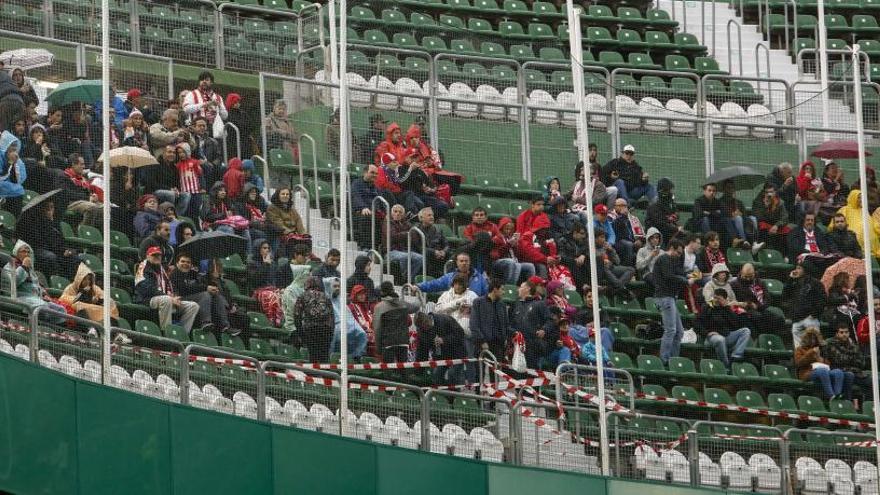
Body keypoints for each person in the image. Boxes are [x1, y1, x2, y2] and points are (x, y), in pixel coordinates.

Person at [134, 246, 199, 332]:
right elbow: (147, 289)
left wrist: (175, 296)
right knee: (167, 300)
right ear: (147, 256)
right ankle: (167, 333)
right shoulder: (143, 268)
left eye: (159, 255)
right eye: (154, 255)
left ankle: (182, 334)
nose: (157, 257)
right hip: (146, 299)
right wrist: (170, 298)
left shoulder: (162, 269)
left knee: (193, 306)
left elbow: (171, 285)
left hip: (163, 298)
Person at [15, 198, 79, 280]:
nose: (50, 211)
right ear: (41, 210)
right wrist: (47, 224)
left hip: (55, 250)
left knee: (76, 259)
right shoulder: (33, 223)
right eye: (47, 208)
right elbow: (36, 242)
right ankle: (56, 282)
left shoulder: (55, 225)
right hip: (38, 250)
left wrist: (65, 250)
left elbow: (60, 242)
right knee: (50, 257)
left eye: (52, 207)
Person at [654, 239, 694, 364]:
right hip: (664, 297)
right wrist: (685, 281)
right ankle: (665, 360)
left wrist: (687, 276)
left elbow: (678, 273)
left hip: (670, 297)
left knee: (679, 332)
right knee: (670, 330)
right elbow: (669, 276)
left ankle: (673, 360)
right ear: (671, 248)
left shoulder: (672, 260)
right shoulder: (664, 259)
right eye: (677, 252)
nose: (679, 255)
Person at [169, 253, 228, 334]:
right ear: (177, 263)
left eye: (188, 262)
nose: (185, 264)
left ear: (191, 265)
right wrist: (206, 288)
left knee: (216, 295)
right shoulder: (174, 274)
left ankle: (225, 326)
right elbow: (184, 289)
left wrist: (213, 282)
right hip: (179, 300)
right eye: (183, 261)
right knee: (205, 294)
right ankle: (206, 322)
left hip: (192, 298)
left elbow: (200, 285)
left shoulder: (192, 274)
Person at [697, 288, 752, 369]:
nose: (715, 300)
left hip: (726, 335)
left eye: (718, 298)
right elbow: (697, 323)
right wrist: (707, 333)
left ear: (724, 299)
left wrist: (727, 308)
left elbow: (736, 325)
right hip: (711, 338)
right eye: (714, 297)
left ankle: (736, 356)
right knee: (720, 339)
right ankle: (726, 366)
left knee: (746, 331)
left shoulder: (726, 309)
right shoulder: (707, 307)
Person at [795, 327, 853, 400]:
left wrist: (820, 359)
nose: (812, 341)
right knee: (822, 370)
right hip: (807, 372)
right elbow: (799, 363)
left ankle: (837, 395)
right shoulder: (800, 349)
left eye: (814, 338)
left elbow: (828, 364)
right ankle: (831, 395)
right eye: (810, 338)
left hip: (823, 371)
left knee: (838, 372)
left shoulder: (821, 349)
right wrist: (811, 352)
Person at [731, 263, 785, 335]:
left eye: (750, 276)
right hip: (746, 310)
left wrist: (757, 306)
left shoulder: (760, 282)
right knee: (758, 317)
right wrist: (749, 305)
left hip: (761, 308)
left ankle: (771, 338)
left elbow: (767, 299)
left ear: (754, 273)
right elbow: (735, 302)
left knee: (779, 319)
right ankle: (764, 337)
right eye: (746, 276)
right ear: (741, 273)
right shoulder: (734, 284)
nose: (748, 279)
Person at [414, 312, 467, 385]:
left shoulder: (445, 319)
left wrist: (444, 340)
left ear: (428, 321)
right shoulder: (421, 331)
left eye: (425, 327)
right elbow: (421, 351)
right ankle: (443, 394)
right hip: (439, 356)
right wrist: (418, 370)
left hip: (456, 353)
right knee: (436, 375)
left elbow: (460, 333)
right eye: (421, 328)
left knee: (453, 374)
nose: (425, 330)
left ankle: (456, 394)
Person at [373, 281, 420, 364]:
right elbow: (416, 306)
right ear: (393, 290)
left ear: (381, 292)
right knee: (402, 371)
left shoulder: (379, 307)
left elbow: (377, 329)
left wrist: (378, 349)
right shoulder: (402, 304)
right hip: (403, 342)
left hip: (388, 343)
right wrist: (416, 294)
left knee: (389, 371)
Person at [783, 261, 827, 348]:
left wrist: (813, 315)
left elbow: (823, 300)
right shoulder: (794, 283)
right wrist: (790, 279)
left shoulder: (816, 283)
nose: (796, 271)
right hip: (796, 320)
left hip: (810, 319)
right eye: (796, 268)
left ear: (805, 270)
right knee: (799, 351)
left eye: (799, 268)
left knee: (813, 348)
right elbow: (784, 296)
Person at [510, 279, 553, 369]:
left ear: (527, 289)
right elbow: (510, 322)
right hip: (516, 344)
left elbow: (550, 320)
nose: (518, 289)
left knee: (532, 372)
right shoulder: (515, 304)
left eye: (521, 287)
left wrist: (544, 330)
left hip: (532, 345)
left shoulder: (539, 304)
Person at [293, 276, 335, 363]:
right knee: (324, 358)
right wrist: (331, 333)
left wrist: (300, 333)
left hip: (311, 330)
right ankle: (324, 375)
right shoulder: (326, 297)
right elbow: (332, 317)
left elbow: (297, 315)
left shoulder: (303, 296)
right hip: (325, 331)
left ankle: (314, 375)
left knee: (313, 357)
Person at [324, 277, 368, 359]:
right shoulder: (325, 302)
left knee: (362, 334)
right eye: (335, 286)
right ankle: (330, 359)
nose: (337, 288)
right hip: (333, 328)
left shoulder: (341, 302)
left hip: (346, 326)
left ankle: (356, 357)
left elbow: (350, 318)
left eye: (338, 286)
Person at [823, 323, 869, 401]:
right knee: (849, 375)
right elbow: (840, 360)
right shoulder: (831, 343)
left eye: (846, 332)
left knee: (873, 381)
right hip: (840, 371)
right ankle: (847, 403)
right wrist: (853, 355)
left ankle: (871, 407)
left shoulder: (852, 343)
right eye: (841, 332)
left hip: (857, 372)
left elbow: (862, 362)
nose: (844, 334)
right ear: (837, 333)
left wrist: (850, 357)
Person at [143, 144, 190, 215]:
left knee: (186, 195)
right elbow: (151, 183)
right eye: (169, 152)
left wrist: (177, 190)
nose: (172, 154)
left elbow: (177, 184)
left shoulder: (174, 168)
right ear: (164, 153)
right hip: (154, 192)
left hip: (170, 192)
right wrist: (170, 189)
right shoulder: (154, 164)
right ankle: (167, 215)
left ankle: (176, 215)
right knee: (170, 194)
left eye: (174, 153)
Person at [59, 152, 103, 228]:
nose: (84, 166)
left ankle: (99, 235)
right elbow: (66, 193)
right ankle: (83, 231)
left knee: (105, 209)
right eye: (81, 164)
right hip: (70, 203)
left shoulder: (83, 179)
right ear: (73, 164)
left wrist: (93, 196)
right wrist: (87, 198)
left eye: (84, 164)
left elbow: (88, 193)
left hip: (83, 201)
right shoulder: (64, 176)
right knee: (91, 207)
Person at [417, 251, 489, 297]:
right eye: (461, 261)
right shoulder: (449, 277)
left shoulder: (480, 278)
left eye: (466, 261)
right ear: (457, 263)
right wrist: (418, 287)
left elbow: (487, 294)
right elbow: (434, 284)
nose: (464, 263)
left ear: (470, 262)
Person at [470, 279, 510, 360]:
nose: (504, 292)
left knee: (497, 371)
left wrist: (506, 338)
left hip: (499, 346)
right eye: (502, 289)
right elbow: (474, 324)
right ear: (495, 289)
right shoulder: (478, 302)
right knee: (481, 371)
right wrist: (482, 341)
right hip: (482, 345)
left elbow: (506, 324)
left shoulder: (502, 305)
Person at [491, 216, 535, 286]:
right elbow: (497, 254)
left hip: (513, 261)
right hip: (499, 262)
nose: (508, 231)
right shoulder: (497, 238)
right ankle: (510, 287)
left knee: (530, 266)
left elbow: (519, 256)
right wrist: (509, 244)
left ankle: (530, 287)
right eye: (506, 229)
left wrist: (516, 245)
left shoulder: (510, 238)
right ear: (502, 228)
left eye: (510, 229)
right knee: (513, 263)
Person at [836, 190, 880, 258]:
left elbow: (871, 222)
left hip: (871, 244)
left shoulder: (864, 210)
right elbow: (838, 222)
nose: (860, 200)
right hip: (853, 239)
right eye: (858, 197)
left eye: (861, 198)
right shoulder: (845, 209)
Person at [594, 228, 635, 297]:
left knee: (631, 269)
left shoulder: (606, 246)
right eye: (601, 237)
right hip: (601, 270)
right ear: (595, 238)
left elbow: (617, 261)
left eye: (604, 237)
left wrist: (611, 251)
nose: (604, 240)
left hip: (611, 267)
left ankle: (617, 288)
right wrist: (603, 259)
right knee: (605, 268)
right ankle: (620, 287)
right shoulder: (591, 247)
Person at [280, 247, 312, 335]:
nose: (306, 259)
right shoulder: (285, 268)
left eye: (307, 256)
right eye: (303, 256)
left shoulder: (305, 270)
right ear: (295, 255)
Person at [266, 187, 307, 256]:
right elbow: (278, 223)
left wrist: (303, 234)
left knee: (306, 240)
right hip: (280, 233)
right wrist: (290, 233)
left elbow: (298, 221)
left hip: (293, 234)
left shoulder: (292, 209)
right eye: (283, 194)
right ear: (278, 195)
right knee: (293, 240)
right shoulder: (272, 208)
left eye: (287, 194)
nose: (285, 196)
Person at [753, 183, 790, 253]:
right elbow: (758, 217)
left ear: (775, 193)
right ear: (764, 193)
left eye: (771, 192)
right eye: (767, 192)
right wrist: (765, 207)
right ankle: (763, 248)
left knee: (787, 229)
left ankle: (784, 254)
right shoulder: (758, 202)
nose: (769, 194)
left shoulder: (780, 203)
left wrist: (777, 225)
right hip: (764, 225)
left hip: (776, 226)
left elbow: (785, 217)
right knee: (762, 225)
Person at [351, 164, 380, 248]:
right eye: (372, 172)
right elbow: (356, 196)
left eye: (376, 173)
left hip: (375, 213)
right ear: (365, 173)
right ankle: (365, 247)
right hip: (360, 212)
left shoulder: (376, 187)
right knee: (366, 217)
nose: (374, 175)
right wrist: (363, 207)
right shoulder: (356, 184)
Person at [645, 177, 681, 246]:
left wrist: (675, 216)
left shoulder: (670, 201)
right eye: (669, 190)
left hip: (668, 230)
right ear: (664, 190)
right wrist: (676, 229)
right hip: (657, 233)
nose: (671, 192)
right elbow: (660, 223)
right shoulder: (654, 203)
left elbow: (676, 211)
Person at [557, 221, 592, 291]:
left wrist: (583, 255)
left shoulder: (582, 240)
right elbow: (561, 255)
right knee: (573, 263)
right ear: (575, 233)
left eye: (584, 234)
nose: (584, 236)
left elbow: (587, 250)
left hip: (579, 261)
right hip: (567, 262)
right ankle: (582, 285)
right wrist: (574, 259)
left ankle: (593, 283)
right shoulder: (563, 240)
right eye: (582, 233)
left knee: (593, 259)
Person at [611, 198, 645, 267]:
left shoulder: (633, 218)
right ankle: (628, 268)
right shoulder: (611, 216)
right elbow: (615, 232)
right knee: (628, 244)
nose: (623, 208)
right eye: (620, 205)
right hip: (617, 241)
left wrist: (639, 240)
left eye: (625, 206)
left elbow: (640, 233)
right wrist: (622, 216)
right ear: (615, 206)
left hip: (632, 242)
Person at [416, 207, 449, 278]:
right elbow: (418, 247)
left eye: (432, 215)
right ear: (421, 218)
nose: (432, 217)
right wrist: (434, 252)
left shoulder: (438, 230)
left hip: (440, 254)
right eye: (429, 215)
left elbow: (446, 244)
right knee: (426, 255)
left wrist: (444, 251)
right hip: (427, 254)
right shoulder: (416, 230)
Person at [190, 116, 223, 186]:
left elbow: (219, 157)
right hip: (196, 164)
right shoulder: (190, 140)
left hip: (211, 165)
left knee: (223, 167)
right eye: (199, 126)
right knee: (205, 166)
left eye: (204, 126)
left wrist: (213, 164)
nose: (202, 128)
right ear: (194, 127)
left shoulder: (213, 141)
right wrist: (198, 162)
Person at [0, 130, 26, 215]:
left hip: (12, 192)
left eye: (16, 145)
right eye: (12, 145)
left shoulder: (18, 160)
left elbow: (17, 181)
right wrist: (10, 163)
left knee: (19, 190)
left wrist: (14, 164)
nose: (15, 148)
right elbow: (1, 178)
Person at [348, 285, 377, 358]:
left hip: (370, 334)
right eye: (359, 294)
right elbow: (353, 323)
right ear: (355, 295)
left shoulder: (366, 306)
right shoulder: (351, 307)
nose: (362, 296)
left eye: (364, 294)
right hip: (358, 334)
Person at [225, 92, 256, 158]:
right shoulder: (227, 114)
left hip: (246, 142)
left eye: (238, 102)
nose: (237, 104)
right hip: (233, 143)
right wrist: (243, 127)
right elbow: (232, 128)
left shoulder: (243, 113)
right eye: (235, 102)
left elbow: (251, 125)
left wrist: (242, 127)